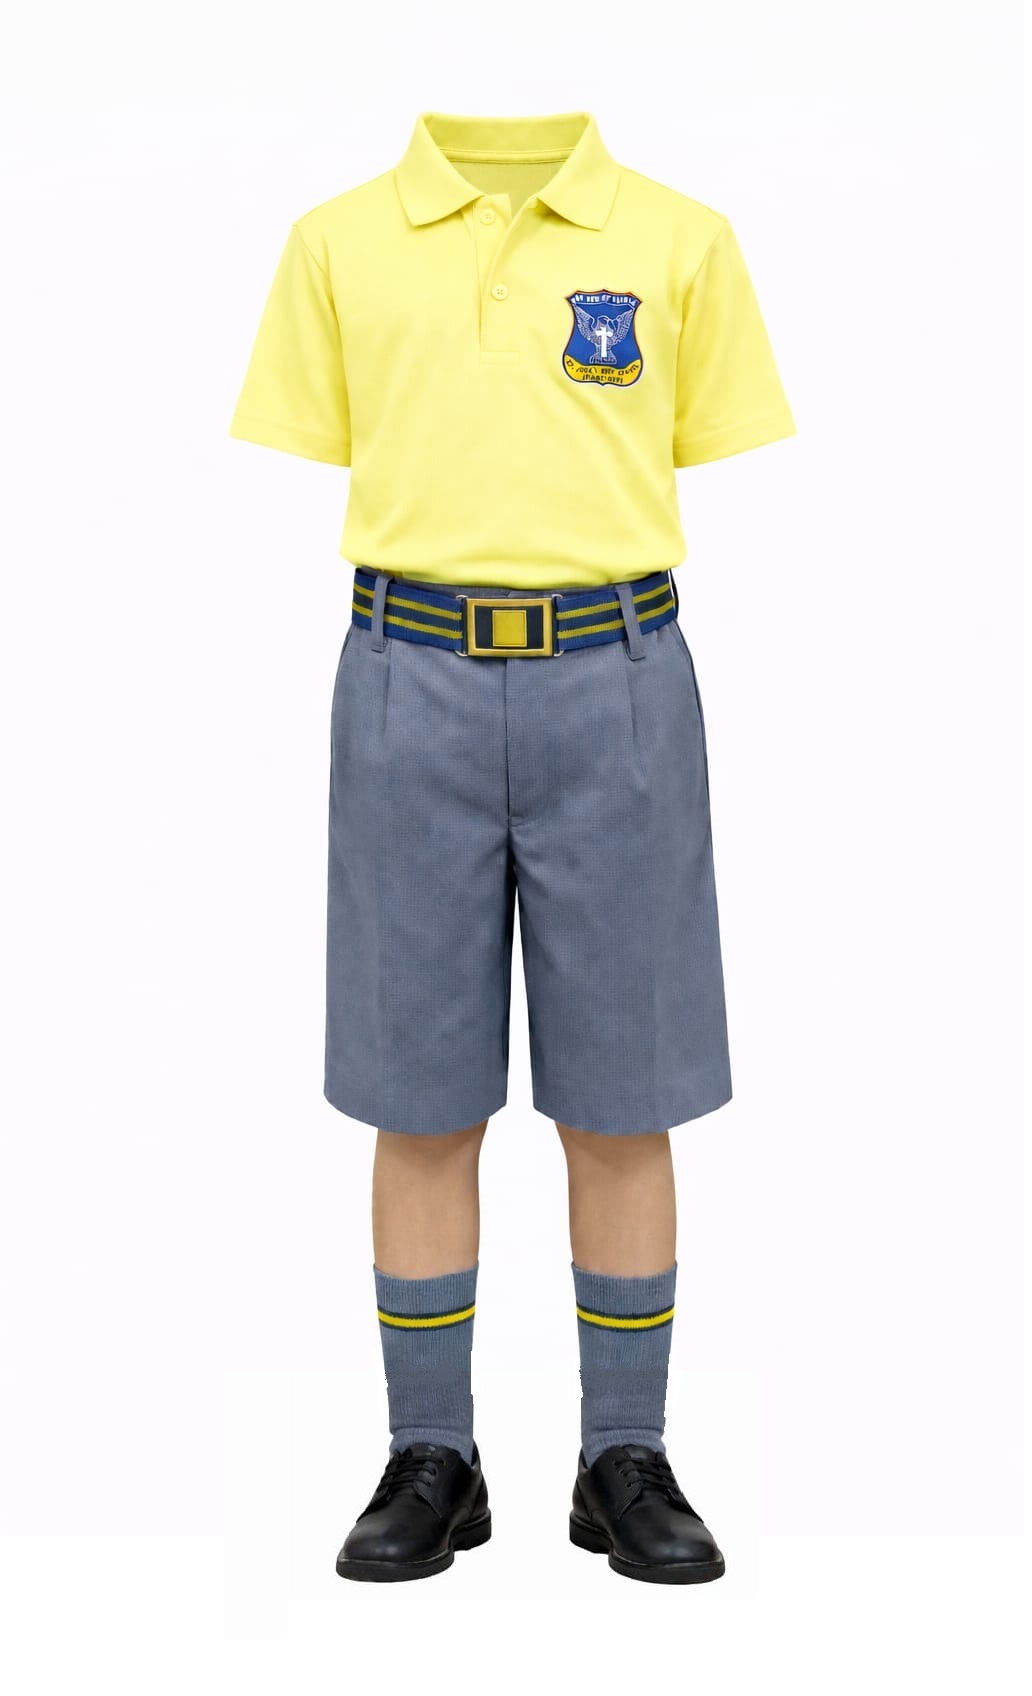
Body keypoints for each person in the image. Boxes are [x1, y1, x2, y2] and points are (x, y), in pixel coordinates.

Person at [228, 110, 796, 1584]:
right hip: (404, 673)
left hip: (620, 677)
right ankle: (434, 1454)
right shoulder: (337, 241)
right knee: (417, 1095)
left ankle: (624, 1454)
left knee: (626, 1095)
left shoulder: (680, 238)